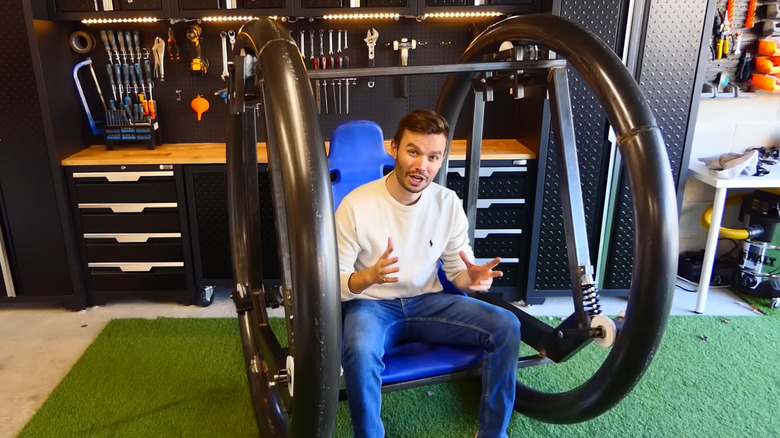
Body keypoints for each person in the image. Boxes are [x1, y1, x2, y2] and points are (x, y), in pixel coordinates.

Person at [336, 110, 522, 438]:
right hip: (372, 306)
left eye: (433, 156)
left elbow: (456, 272)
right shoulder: (355, 205)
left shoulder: (447, 203)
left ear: (441, 159)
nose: (422, 165)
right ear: (394, 148)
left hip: (428, 301)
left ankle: (492, 434)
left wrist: (472, 278)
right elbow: (335, 285)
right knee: (361, 347)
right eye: (413, 152)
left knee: (507, 325)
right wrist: (371, 276)